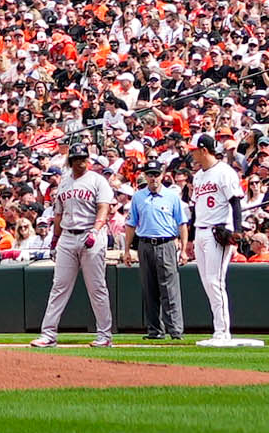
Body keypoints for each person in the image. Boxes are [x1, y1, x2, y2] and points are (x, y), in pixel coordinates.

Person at [32, 146, 121, 347]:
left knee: (97, 287)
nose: (81, 161)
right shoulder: (64, 183)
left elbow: (103, 208)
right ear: (70, 161)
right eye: (77, 158)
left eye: (84, 158)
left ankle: (104, 336)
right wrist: (55, 240)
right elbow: (58, 214)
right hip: (67, 237)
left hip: (90, 234)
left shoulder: (98, 180)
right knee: (59, 286)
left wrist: (96, 231)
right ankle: (48, 334)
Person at [189, 142, 259, 346]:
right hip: (201, 231)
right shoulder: (199, 175)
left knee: (215, 281)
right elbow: (197, 208)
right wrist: (193, 238)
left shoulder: (224, 172)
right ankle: (218, 328)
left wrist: (237, 230)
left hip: (217, 232)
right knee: (207, 282)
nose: (191, 153)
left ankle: (222, 331)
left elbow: (235, 202)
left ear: (204, 150)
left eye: (194, 149)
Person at [127, 160, 190, 340]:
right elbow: (131, 225)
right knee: (149, 289)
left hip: (166, 243)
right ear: (145, 176)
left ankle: (176, 331)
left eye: (156, 174)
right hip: (145, 244)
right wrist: (126, 250)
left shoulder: (171, 196)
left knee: (169, 289)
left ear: (162, 176)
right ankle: (155, 330)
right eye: (150, 174)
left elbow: (182, 224)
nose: (153, 178)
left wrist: (184, 250)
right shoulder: (139, 197)